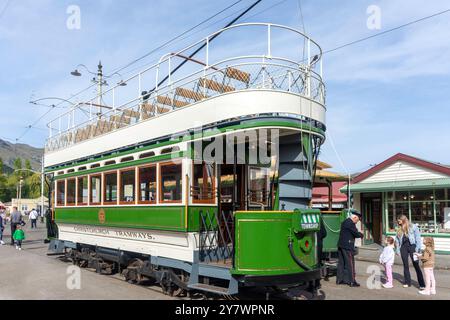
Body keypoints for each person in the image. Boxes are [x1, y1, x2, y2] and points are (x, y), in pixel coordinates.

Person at [394, 215, 425, 289]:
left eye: (399, 220)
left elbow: (418, 237)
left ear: (403, 220)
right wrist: (397, 250)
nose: (398, 222)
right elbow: (397, 241)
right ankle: (407, 282)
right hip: (403, 248)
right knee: (405, 265)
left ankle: (422, 284)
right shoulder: (399, 229)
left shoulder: (413, 227)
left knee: (416, 264)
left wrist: (418, 248)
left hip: (412, 247)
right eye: (398, 221)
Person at [336, 209, 364, 287]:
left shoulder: (345, 221)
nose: (357, 221)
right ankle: (352, 281)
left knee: (341, 263)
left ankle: (339, 280)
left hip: (341, 245)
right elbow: (356, 234)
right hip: (347, 246)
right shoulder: (350, 223)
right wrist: (361, 234)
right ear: (355, 217)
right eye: (358, 220)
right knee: (350, 264)